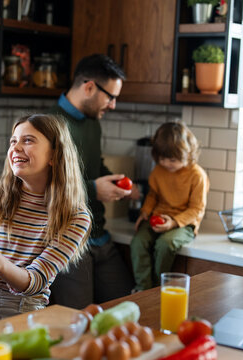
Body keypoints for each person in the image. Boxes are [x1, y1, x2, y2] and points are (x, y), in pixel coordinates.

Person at [0, 114, 91, 325]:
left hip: (21, 314)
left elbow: (38, 281)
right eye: (13, 141)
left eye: (28, 140)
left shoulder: (74, 217)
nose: (16, 147)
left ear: (54, 155)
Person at [48, 54, 138, 309]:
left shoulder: (92, 123)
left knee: (130, 307)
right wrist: (94, 190)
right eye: (110, 97)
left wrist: (123, 185)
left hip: (100, 236)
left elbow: (94, 167)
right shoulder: (49, 125)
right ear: (89, 87)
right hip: (68, 241)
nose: (113, 105)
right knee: (77, 322)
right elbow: (44, 188)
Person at [130, 122, 209, 291]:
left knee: (165, 244)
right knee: (138, 242)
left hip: (184, 223)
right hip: (157, 217)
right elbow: (153, 195)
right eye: (162, 158)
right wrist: (144, 213)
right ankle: (143, 289)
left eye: (172, 159)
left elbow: (196, 209)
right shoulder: (158, 171)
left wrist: (173, 222)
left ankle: (159, 289)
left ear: (188, 153)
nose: (166, 163)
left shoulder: (197, 175)